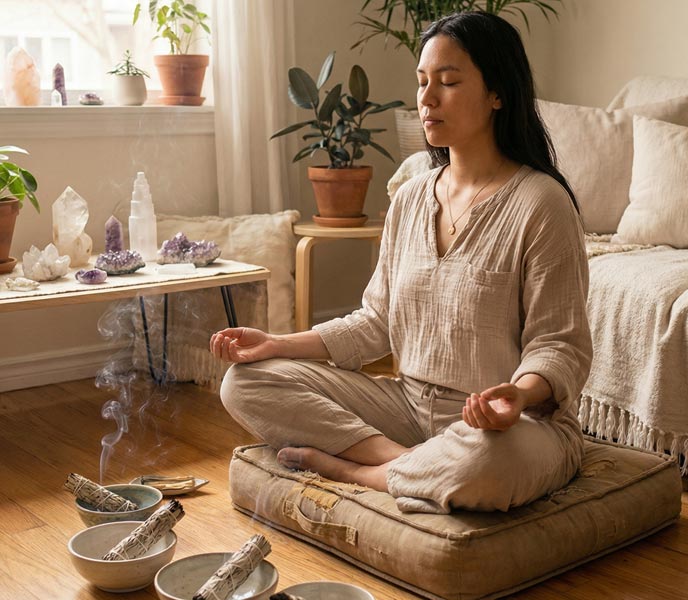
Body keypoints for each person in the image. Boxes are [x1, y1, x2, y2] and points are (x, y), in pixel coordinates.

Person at [210, 11, 591, 514]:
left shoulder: (542, 203)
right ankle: (403, 463)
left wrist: (518, 397)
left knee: (485, 464)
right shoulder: (411, 197)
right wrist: (277, 343)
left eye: (449, 82)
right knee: (245, 381)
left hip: (508, 428)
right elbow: (375, 322)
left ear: (498, 92)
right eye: (422, 82)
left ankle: (355, 470)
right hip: (407, 408)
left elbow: (559, 344)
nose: (426, 99)